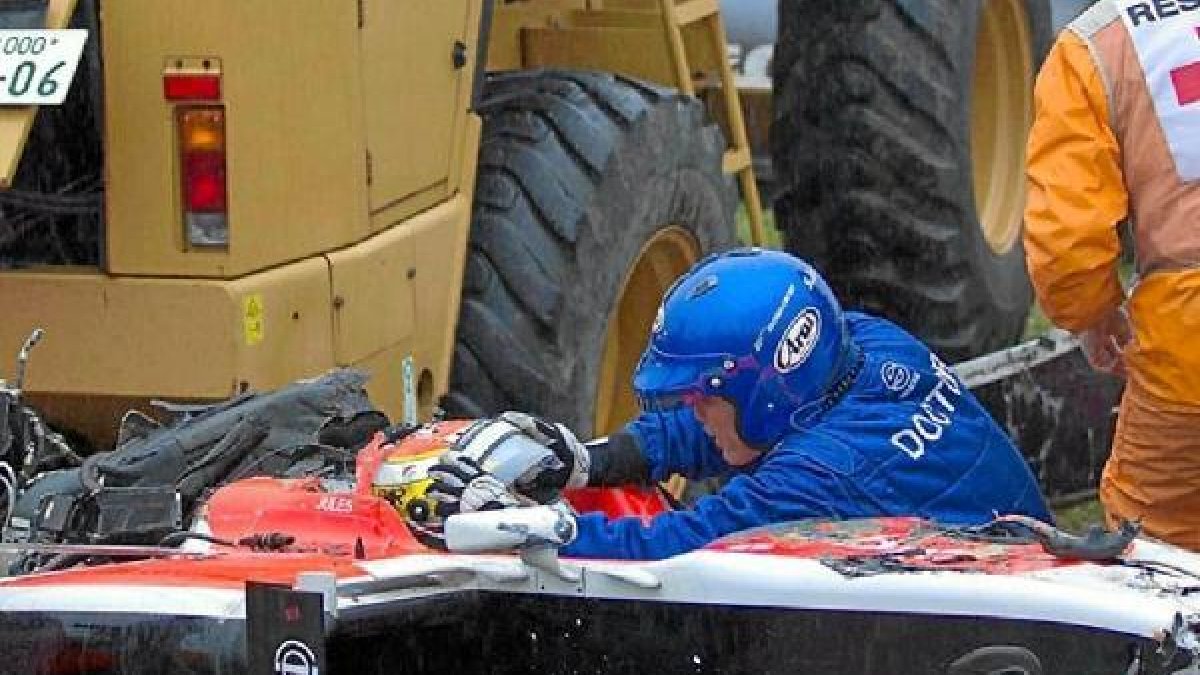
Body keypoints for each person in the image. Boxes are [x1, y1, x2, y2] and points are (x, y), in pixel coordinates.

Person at [426, 249, 1050, 561]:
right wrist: (587, 461)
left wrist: (521, 528)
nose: (694, 411)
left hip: (1009, 617)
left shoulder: (817, 476)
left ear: (764, 392)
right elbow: (732, 432)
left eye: (704, 396)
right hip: (1010, 563)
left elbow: (674, 546)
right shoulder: (864, 341)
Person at [1023, 1, 1200, 550]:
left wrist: (1094, 315)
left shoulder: (1096, 45)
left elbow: (1067, 244)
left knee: (1159, 557)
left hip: (1187, 352)